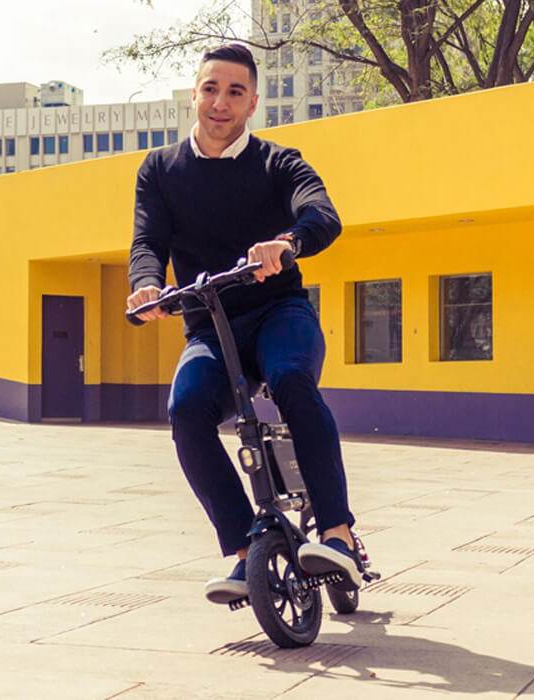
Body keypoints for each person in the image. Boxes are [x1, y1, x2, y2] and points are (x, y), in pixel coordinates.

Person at [127, 43, 361, 604]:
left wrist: (287, 242)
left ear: (253, 101)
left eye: (235, 92)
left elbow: (322, 215)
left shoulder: (279, 162)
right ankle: (242, 547)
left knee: (291, 380)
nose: (220, 103)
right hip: (211, 327)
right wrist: (146, 282)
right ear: (195, 93)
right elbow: (148, 241)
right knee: (185, 410)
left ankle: (338, 533)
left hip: (281, 312)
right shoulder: (160, 170)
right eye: (211, 88)